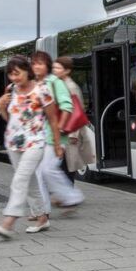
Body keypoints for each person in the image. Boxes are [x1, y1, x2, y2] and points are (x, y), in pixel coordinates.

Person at [0, 55, 62, 239]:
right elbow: (11, 119)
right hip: (13, 142)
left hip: (35, 142)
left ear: (27, 71)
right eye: (11, 74)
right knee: (29, 182)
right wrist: (0, 107)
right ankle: (42, 217)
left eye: (17, 73)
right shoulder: (11, 90)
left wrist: (56, 144)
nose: (14, 78)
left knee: (20, 180)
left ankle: (8, 221)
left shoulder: (42, 90)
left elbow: (53, 119)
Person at [30, 52, 81, 219]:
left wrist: (59, 126)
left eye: (40, 63)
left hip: (54, 137)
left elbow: (67, 106)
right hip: (37, 136)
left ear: (47, 66)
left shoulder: (55, 82)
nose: (36, 67)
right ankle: (42, 211)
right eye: (34, 63)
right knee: (39, 173)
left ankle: (72, 196)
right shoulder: (34, 84)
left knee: (47, 170)